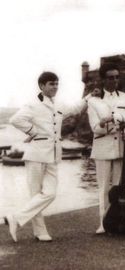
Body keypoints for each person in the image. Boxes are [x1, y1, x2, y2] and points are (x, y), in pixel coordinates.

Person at [4, 71, 93, 242]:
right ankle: (40, 232)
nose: (55, 87)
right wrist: (33, 132)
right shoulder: (32, 105)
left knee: (50, 193)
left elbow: (74, 109)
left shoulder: (57, 104)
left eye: (57, 84)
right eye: (52, 84)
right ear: (42, 86)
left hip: (53, 154)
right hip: (36, 153)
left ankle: (16, 218)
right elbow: (15, 120)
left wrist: (88, 97)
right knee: (35, 193)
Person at [87, 63, 125, 234]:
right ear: (103, 79)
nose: (114, 80)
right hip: (103, 147)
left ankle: (117, 220)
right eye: (110, 77)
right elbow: (95, 127)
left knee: (119, 187)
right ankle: (103, 222)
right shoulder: (94, 100)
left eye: (117, 77)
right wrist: (118, 125)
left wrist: (113, 118)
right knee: (103, 188)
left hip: (121, 146)